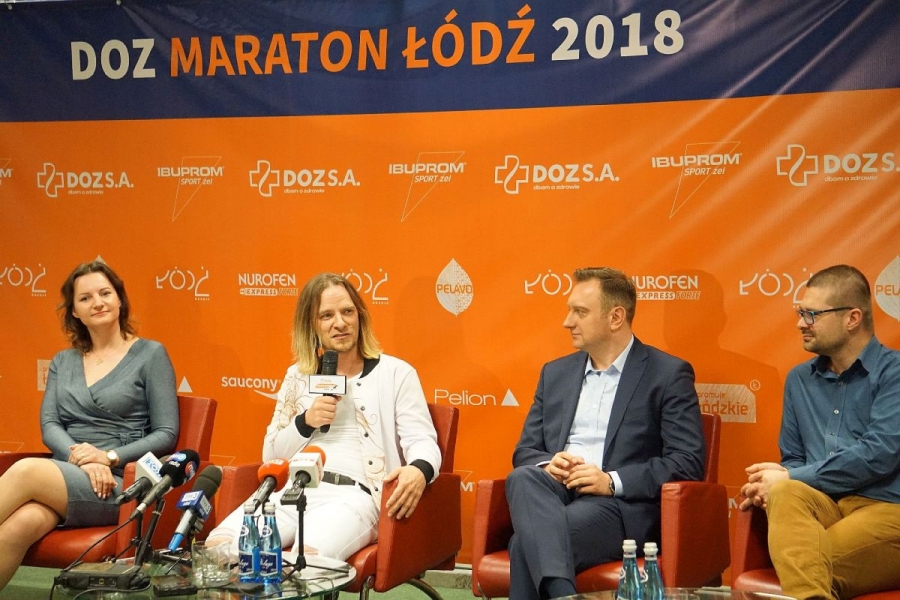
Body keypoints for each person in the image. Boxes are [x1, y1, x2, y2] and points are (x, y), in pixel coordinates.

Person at [206, 272, 441, 561]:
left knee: (305, 561)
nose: (340, 323)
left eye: (347, 312)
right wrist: (306, 422)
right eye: (327, 315)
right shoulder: (297, 376)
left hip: (353, 497)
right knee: (217, 549)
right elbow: (271, 454)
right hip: (293, 491)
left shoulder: (395, 373)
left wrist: (419, 470)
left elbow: (422, 440)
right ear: (312, 325)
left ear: (360, 316)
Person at [506, 266, 705, 600]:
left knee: (523, 543)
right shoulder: (555, 373)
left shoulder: (666, 374)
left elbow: (687, 462)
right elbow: (525, 451)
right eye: (569, 310)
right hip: (555, 494)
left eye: (580, 312)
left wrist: (610, 481)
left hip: (618, 506)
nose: (567, 321)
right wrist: (550, 464)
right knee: (524, 477)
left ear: (616, 317)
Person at [0, 260, 179, 589]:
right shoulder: (63, 361)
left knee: (26, 470)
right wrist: (84, 460)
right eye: (85, 298)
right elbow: (50, 424)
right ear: (74, 312)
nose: (97, 302)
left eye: (105, 293)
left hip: (116, 482)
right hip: (69, 471)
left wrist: (108, 457)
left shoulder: (151, 354)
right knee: (18, 526)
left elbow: (166, 434)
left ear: (119, 299)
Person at [739, 264, 900, 600]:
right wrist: (776, 483)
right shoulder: (799, 379)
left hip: (885, 508)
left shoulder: (894, 373)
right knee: (785, 492)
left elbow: (880, 453)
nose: (801, 323)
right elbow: (794, 459)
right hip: (822, 506)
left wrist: (789, 477)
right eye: (801, 313)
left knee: (808, 563)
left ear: (852, 318)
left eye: (811, 314)